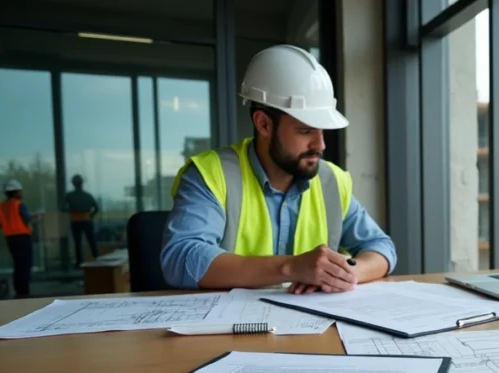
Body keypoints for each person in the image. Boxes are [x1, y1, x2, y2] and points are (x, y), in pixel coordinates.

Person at [160, 45, 396, 292]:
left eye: (322, 130)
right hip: (230, 328)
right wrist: (290, 267)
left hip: (309, 327)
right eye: (305, 131)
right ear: (263, 124)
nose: (320, 145)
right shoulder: (210, 174)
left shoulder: (331, 181)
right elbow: (181, 259)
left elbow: (381, 247)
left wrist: (337, 274)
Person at [0, 179, 39, 298]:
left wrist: (2, 226)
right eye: (20, 191)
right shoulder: (19, 205)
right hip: (23, 237)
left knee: (18, 264)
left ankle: (19, 291)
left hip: (10, 238)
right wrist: (36, 219)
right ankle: (24, 291)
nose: (21, 193)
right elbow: (26, 219)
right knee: (25, 264)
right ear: (16, 192)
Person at [61, 174, 99, 267]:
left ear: (73, 184)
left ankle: (79, 261)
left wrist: (71, 211)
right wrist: (90, 216)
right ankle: (96, 257)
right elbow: (96, 208)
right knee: (91, 240)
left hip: (76, 220)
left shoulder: (69, 196)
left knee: (77, 242)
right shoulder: (87, 196)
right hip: (87, 220)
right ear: (82, 183)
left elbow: (61, 207)